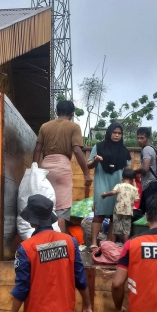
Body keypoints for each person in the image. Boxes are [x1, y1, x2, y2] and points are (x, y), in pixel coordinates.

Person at [32, 99, 92, 233]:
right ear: (71, 114)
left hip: (45, 167)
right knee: (61, 208)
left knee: (45, 205)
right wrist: (86, 173)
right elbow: (77, 150)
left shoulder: (44, 126)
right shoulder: (74, 127)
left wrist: (34, 171)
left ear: (56, 112)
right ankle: (60, 244)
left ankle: (42, 240)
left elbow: (37, 149)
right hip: (63, 167)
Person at [87, 122, 131, 250]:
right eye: (114, 133)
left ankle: (109, 243)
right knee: (99, 213)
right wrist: (95, 161)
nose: (117, 135)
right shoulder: (99, 147)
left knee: (114, 215)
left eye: (119, 133)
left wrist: (129, 182)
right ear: (109, 133)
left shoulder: (124, 150)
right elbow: (88, 165)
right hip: (102, 182)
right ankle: (94, 243)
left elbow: (128, 168)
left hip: (118, 184)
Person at [100, 168, 139, 244]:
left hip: (118, 211)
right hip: (128, 212)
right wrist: (134, 185)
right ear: (133, 179)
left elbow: (113, 192)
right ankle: (125, 247)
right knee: (126, 231)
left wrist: (105, 195)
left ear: (122, 178)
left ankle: (113, 245)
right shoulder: (134, 189)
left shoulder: (119, 185)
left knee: (115, 230)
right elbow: (136, 200)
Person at [135, 127, 157, 213]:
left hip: (150, 184)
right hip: (151, 184)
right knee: (151, 211)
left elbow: (145, 168)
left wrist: (133, 172)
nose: (139, 140)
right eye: (138, 138)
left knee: (152, 212)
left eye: (142, 138)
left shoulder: (147, 149)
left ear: (148, 139)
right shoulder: (150, 149)